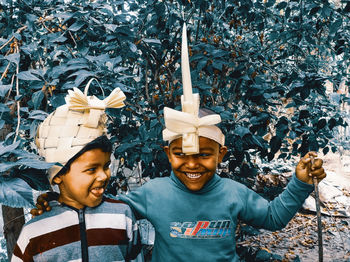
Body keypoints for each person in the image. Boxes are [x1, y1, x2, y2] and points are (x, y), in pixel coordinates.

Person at [32, 25, 327, 262]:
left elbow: (273, 218)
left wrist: (300, 183)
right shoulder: (151, 194)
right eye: (180, 154)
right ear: (167, 152)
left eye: (203, 154)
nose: (192, 163)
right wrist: (56, 201)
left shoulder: (235, 194)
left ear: (221, 153)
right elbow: (98, 204)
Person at [13, 82, 142, 262]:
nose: (104, 175)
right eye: (91, 169)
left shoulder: (122, 216)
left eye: (105, 166)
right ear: (58, 176)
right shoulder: (34, 232)